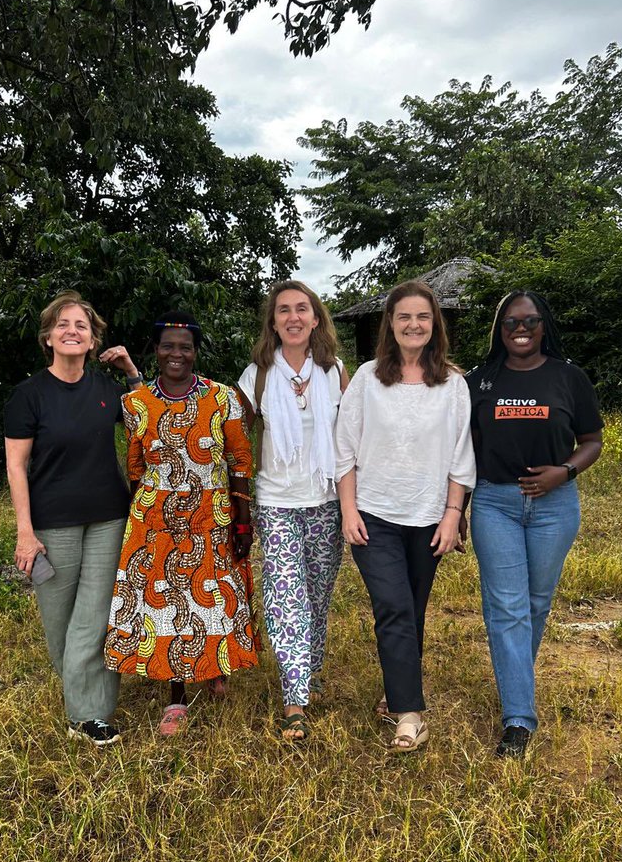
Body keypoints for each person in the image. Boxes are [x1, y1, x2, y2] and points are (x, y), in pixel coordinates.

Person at [335, 281, 475, 752]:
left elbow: (462, 456)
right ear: (390, 326)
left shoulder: (453, 384)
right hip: (374, 515)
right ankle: (410, 714)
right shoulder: (368, 379)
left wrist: (453, 515)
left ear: (434, 325)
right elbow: (345, 450)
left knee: (412, 610)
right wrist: (348, 510)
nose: (413, 325)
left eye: (422, 317)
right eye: (404, 317)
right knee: (393, 606)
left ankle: (396, 689)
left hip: (430, 516)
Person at [103, 311, 258, 736]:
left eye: (184, 347)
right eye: (168, 346)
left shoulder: (222, 397)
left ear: (195, 353)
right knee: (168, 603)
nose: (176, 354)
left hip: (212, 511)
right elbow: (135, 465)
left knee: (213, 596)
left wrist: (243, 522)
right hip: (155, 516)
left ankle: (214, 667)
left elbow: (240, 461)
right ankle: (176, 697)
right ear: (156, 351)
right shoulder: (135, 403)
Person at [466, 290, 603, 759]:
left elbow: (591, 439)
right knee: (507, 607)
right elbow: (468, 448)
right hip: (495, 503)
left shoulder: (570, 377)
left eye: (529, 321)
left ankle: (513, 682)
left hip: (555, 505)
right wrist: (457, 507)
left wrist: (562, 472)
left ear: (544, 325)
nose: (520, 329)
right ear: (498, 330)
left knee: (536, 603)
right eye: (510, 323)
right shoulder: (479, 381)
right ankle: (519, 719)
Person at [4, 290, 142, 747]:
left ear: (92, 339)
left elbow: (149, 419)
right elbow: (16, 467)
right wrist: (25, 532)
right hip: (52, 523)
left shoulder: (106, 390)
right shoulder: (28, 395)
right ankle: (83, 697)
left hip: (107, 517)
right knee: (59, 621)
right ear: (48, 338)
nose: (72, 331)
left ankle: (89, 714)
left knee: (94, 615)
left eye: (81, 326)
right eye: (63, 324)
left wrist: (131, 372)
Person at [237, 280, 348, 743]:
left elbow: (352, 438)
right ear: (274, 322)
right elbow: (237, 441)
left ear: (316, 318)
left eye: (302, 309)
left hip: (325, 500)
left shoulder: (336, 371)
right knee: (287, 599)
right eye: (284, 310)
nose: (294, 317)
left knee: (318, 597)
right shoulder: (255, 376)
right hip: (276, 500)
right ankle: (295, 699)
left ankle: (312, 670)